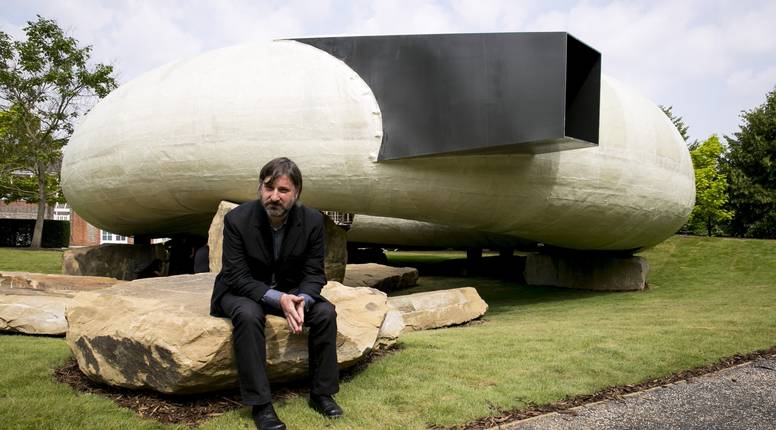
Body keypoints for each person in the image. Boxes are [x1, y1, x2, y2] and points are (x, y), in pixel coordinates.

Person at [210, 157, 342, 430]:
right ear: (260, 188)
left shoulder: (313, 221)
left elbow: (314, 274)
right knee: (248, 315)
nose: (274, 196)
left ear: (296, 193)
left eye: (283, 190)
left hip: (289, 292)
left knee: (325, 312)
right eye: (269, 188)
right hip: (241, 291)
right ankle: (261, 405)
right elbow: (236, 275)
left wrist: (302, 300)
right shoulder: (237, 219)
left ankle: (322, 394)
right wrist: (279, 299)